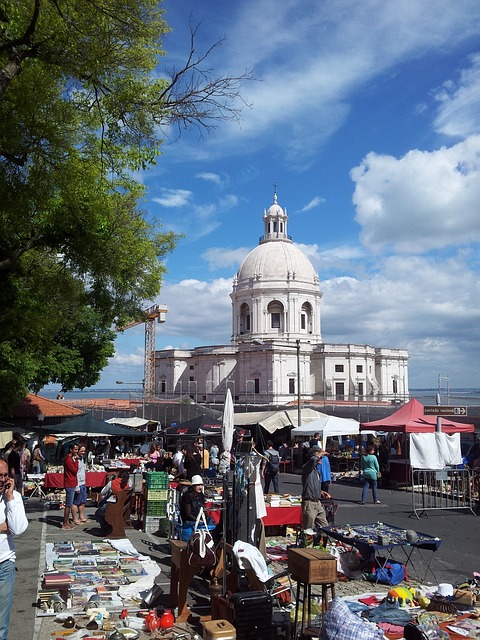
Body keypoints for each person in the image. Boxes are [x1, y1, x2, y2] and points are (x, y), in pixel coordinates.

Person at [0, 458, 28, 640]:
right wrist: (3, 526)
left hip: (5, 564)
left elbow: (17, 528)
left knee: (1, 622)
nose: (2, 480)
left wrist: (10, 498)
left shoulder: (14, 497)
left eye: (4, 476)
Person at [301, 445, 329, 535]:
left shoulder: (316, 471)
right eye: (321, 457)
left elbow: (311, 485)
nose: (322, 459)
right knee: (308, 531)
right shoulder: (307, 468)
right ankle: (306, 548)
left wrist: (321, 492)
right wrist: (320, 453)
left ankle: (323, 545)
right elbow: (313, 460)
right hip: (309, 504)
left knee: (325, 528)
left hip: (317, 503)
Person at [62, 443, 79, 530]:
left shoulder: (69, 459)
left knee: (69, 503)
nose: (77, 451)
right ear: (71, 450)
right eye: (75, 449)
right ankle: (65, 523)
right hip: (70, 483)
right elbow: (74, 470)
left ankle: (67, 522)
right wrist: (76, 461)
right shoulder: (68, 459)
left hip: (71, 482)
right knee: (68, 504)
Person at [72, 445, 90, 524]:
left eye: (84, 451)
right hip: (77, 483)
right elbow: (74, 473)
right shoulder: (75, 460)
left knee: (82, 501)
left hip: (83, 482)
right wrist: (76, 486)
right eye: (82, 451)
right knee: (76, 502)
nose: (83, 453)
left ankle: (81, 517)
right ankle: (75, 518)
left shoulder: (82, 459)